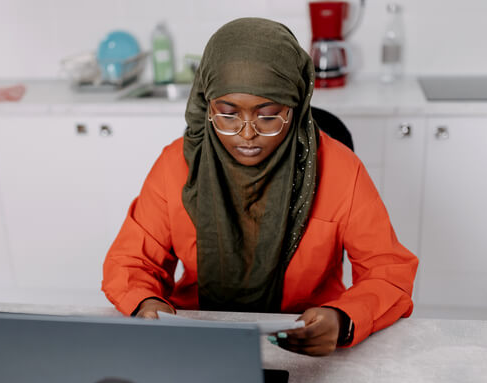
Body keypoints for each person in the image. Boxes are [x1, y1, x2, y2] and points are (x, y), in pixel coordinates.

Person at [102, 18, 418, 356]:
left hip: (306, 343)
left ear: (295, 108)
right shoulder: (176, 166)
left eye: (268, 115)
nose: (247, 133)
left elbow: (388, 271)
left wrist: (343, 319)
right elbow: (130, 263)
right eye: (227, 113)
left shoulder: (341, 170)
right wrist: (147, 303)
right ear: (205, 105)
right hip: (196, 341)